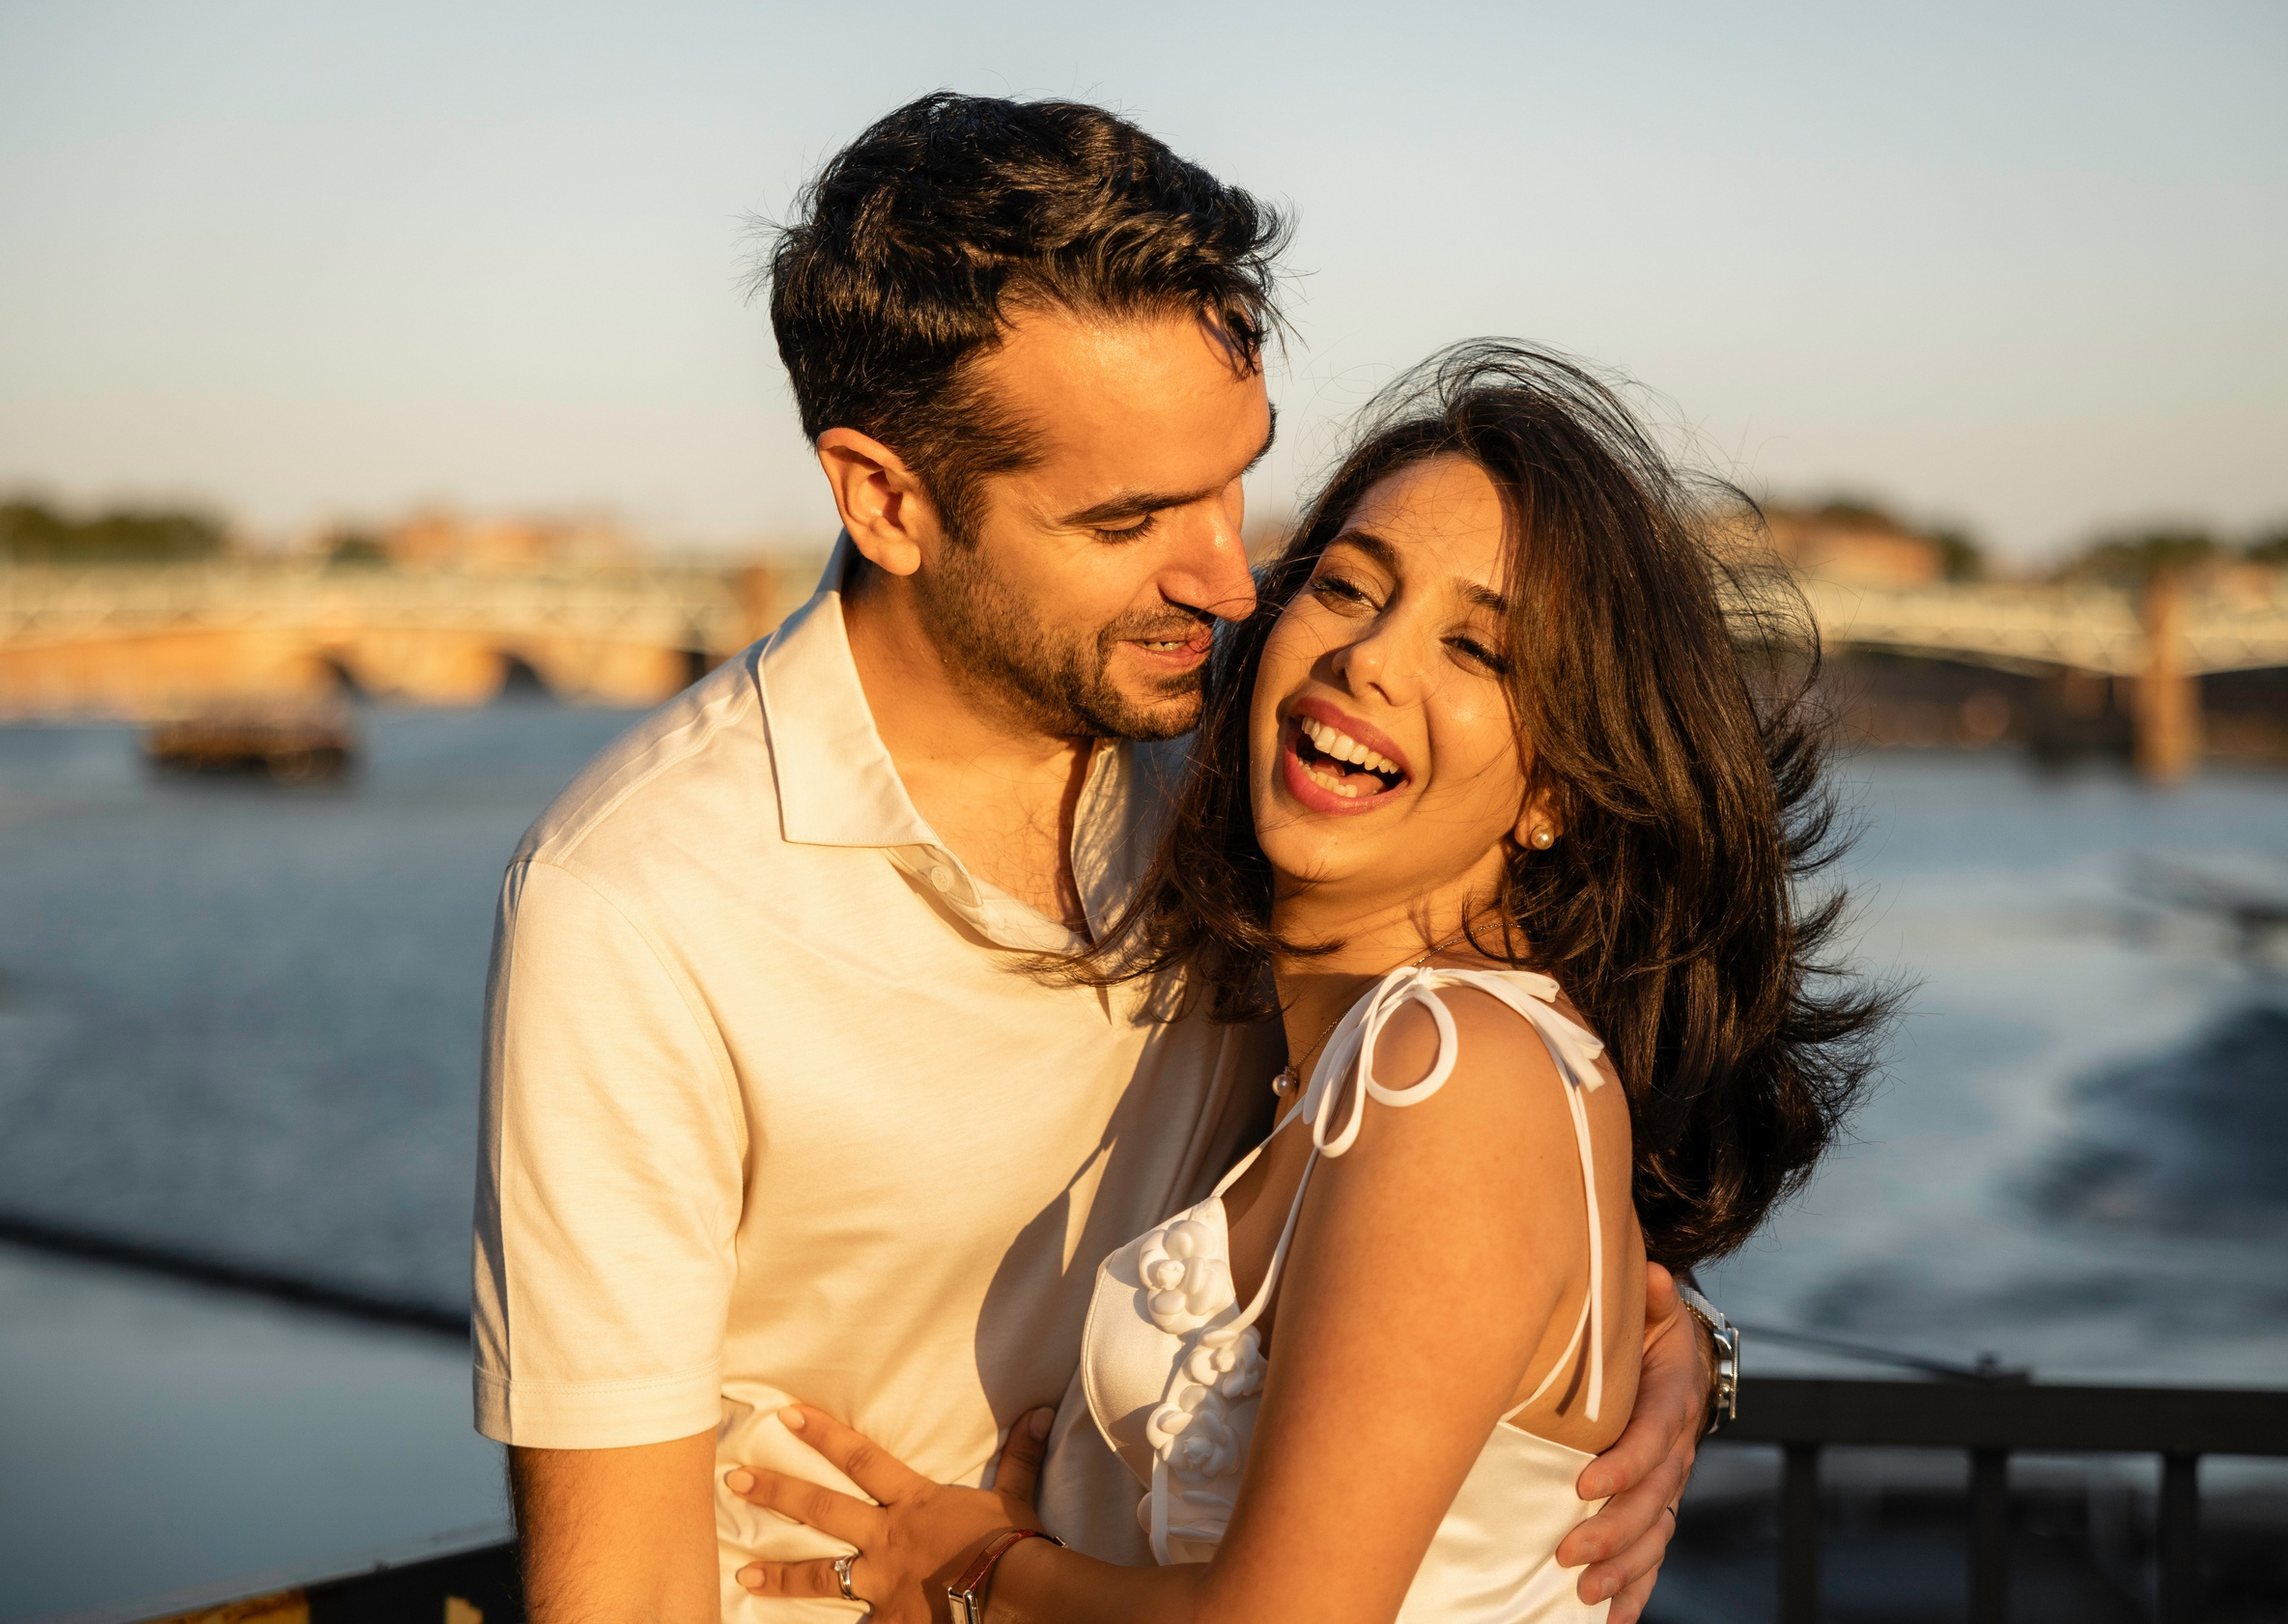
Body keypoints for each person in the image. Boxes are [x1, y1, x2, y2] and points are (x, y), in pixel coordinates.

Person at [472, 99, 1721, 1624]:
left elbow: (1486, 1179)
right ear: (887, 498)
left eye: (1235, 479)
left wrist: (1671, 1349)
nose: (1229, 574)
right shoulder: (639, 901)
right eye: (1131, 516)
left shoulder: (1262, 775)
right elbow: (619, 1596)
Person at [720, 343, 1889, 1621]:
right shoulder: (1340, 1057)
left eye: (1481, 652)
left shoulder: (1450, 1073)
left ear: (1558, 791)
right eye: (1346, 588)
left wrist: (978, 1568)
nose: (1373, 661)